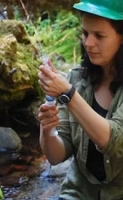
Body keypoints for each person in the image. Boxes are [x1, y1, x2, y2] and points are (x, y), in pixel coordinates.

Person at [37, 0, 123, 199]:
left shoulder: (70, 89)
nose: (88, 43)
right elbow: (56, 156)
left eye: (99, 36)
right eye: (85, 34)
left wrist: (68, 94)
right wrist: (48, 128)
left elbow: (114, 141)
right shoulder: (77, 78)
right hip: (79, 194)